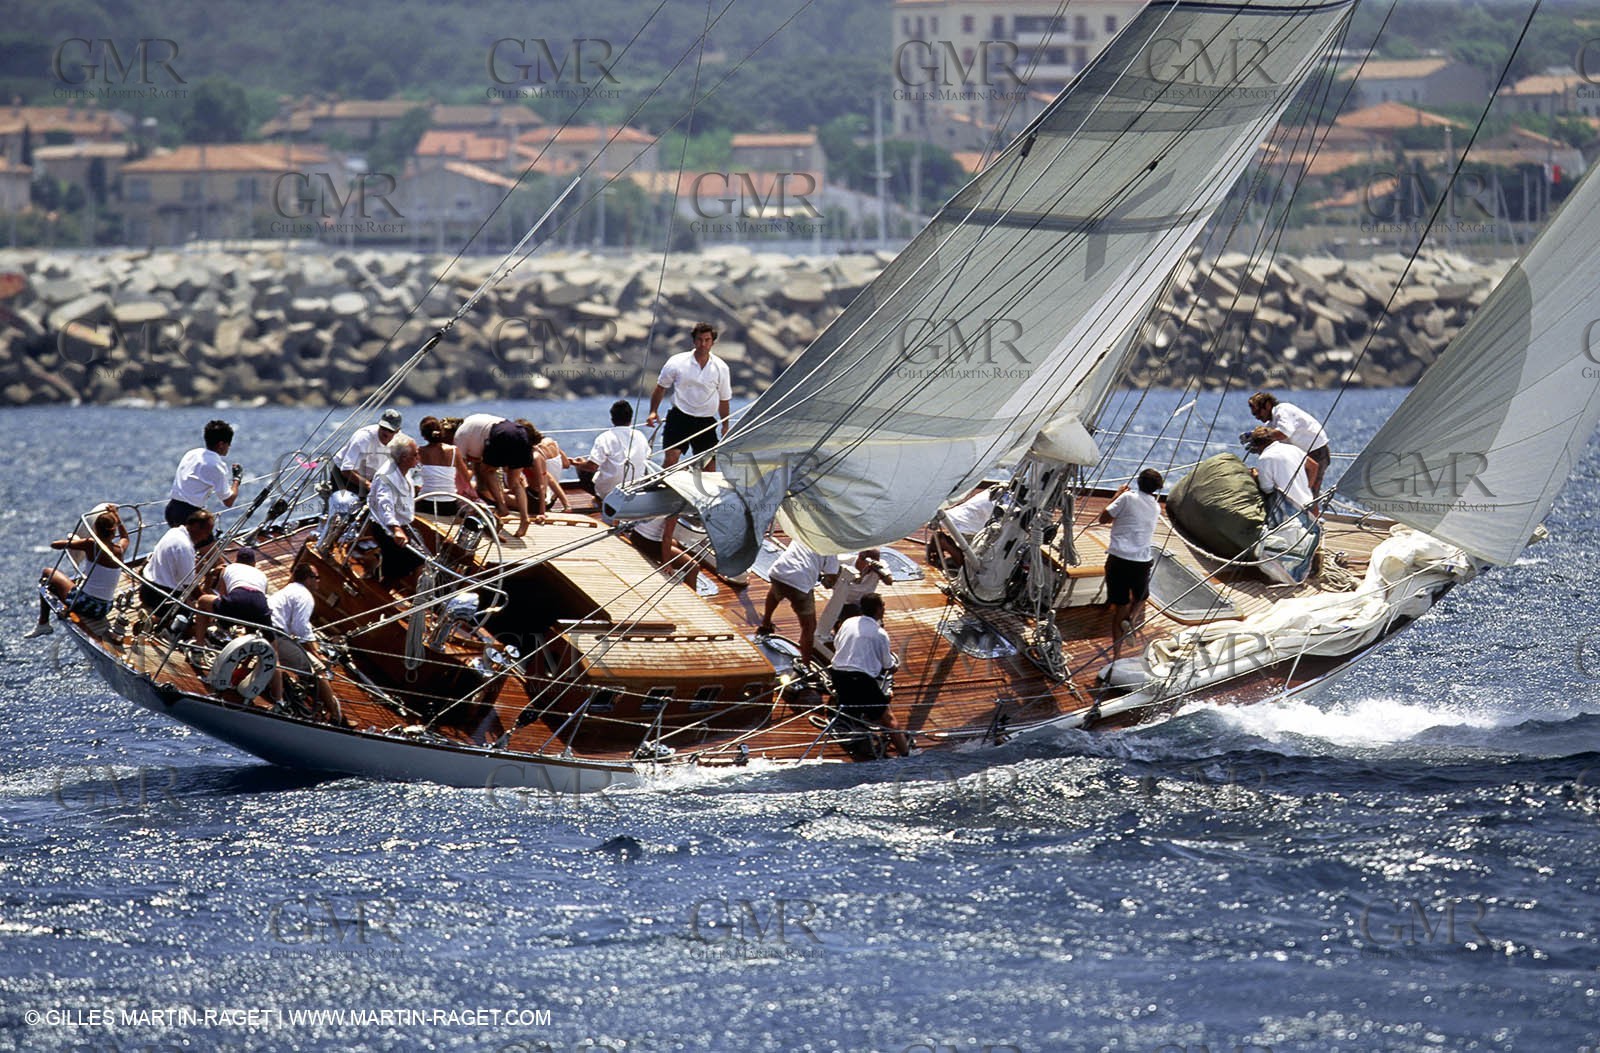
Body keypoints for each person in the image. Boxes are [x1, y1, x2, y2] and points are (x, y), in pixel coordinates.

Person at [26, 506, 130, 636]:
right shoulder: (120, 549)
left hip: (85, 605)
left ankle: (43, 623)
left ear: (95, 529)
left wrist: (77, 541)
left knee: (47, 573)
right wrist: (117, 518)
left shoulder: (91, 544)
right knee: (62, 583)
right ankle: (46, 620)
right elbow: (125, 537)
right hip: (104, 609)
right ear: (113, 532)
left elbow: (55, 545)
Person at [829, 594, 911, 757]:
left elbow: (837, 644)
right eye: (883, 606)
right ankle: (907, 755)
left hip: (837, 674)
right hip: (861, 680)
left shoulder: (848, 622)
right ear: (879, 609)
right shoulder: (880, 634)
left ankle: (857, 730)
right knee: (888, 718)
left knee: (853, 705)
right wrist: (894, 667)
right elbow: (888, 665)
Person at [1096, 468, 1163, 662]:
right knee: (1142, 597)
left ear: (1138, 482)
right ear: (1157, 488)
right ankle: (1131, 621)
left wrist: (1117, 495)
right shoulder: (1156, 507)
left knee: (1121, 606)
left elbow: (1103, 518)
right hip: (1141, 562)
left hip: (1118, 559)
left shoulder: (1126, 498)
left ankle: (1116, 655)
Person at [647, 322, 732, 469]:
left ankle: (695, 478)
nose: (703, 344)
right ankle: (663, 482)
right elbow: (661, 387)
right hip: (680, 417)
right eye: (699, 339)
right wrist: (653, 411)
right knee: (671, 459)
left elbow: (724, 399)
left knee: (709, 467)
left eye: (707, 340)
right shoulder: (677, 362)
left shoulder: (721, 367)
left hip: (705, 421)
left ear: (712, 342)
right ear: (694, 341)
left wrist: (725, 425)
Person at [267, 562, 340, 714]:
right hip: (274, 635)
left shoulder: (289, 589)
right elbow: (300, 628)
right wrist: (317, 653)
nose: (318, 581)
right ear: (308, 579)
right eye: (316, 578)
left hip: (265, 629)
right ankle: (335, 715)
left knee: (306, 662)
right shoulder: (304, 595)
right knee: (317, 669)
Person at [453, 413, 543, 537]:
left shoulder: (459, 437)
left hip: (500, 436)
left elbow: (461, 468)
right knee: (515, 482)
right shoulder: (473, 422)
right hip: (520, 433)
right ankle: (524, 518)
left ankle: (501, 506)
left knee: (487, 471)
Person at [756, 538, 840, 666]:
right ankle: (805, 664)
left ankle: (765, 624)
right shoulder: (831, 548)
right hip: (800, 584)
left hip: (779, 572)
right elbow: (830, 581)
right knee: (809, 626)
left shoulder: (805, 533)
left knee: (776, 591)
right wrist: (829, 578)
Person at [574, 400, 656, 507]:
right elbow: (647, 457)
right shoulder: (640, 436)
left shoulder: (604, 437)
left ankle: (599, 499)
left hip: (609, 493)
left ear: (612, 419)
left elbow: (592, 466)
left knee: (582, 468)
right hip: (635, 489)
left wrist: (574, 463)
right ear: (631, 419)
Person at [1248, 392, 1331, 495]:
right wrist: (1256, 443)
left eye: (1258, 412)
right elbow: (1271, 445)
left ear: (1268, 405)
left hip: (1316, 452)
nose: (1257, 417)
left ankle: (1310, 503)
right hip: (1301, 456)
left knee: (1310, 492)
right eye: (1254, 414)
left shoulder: (1283, 410)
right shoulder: (1270, 424)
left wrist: (1258, 435)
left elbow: (1283, 433)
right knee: (1297, 489)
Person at [367, 436, 425, 584]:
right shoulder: (386, 476)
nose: (418, 457)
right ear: (404, 458)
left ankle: (383, 579)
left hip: (404, 526)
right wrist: (396, 529)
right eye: (415, 454)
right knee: (419, 561)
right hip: (387, 529)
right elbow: (384, 503)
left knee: (420, 558)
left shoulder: (403, 470)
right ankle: (419, 597)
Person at [140, 509, 214, 625]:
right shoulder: (185, 548)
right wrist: (207, 601)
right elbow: (189, 586)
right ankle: (156, 620)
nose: (207, 537)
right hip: (162, 596)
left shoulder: (174, 532)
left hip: (146, 587)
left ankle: (152, 616)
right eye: (207, 531)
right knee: (191, 624)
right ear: (195, 526)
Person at [165, 419, 240, 527]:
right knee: (207, 538)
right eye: (229, 444)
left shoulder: (192, 453)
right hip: (189, 516)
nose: (229, 447)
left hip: (172, 509)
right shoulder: (216, 465)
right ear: (221, 444)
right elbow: (228, 501)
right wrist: (237, 479)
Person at [817, 549, 894, 651]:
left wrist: (879, 572)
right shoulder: (844, 561)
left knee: (877, 615)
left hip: (865, 602)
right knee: (852, 621)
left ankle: (872, 645)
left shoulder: (880, 566)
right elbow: (824, 566)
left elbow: (889, 581)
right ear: (860, 558)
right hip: (845, 601)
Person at [194, 546, 271, 643]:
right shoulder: (262, 575)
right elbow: (262, 598)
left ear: (236, 560)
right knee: (252, 625)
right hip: (259, 608)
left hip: (236, 600)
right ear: (254, 563)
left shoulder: (229, 568)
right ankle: (248, 651)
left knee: (202, 601)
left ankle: (199, 645)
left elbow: (223, 596)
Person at [1247, 426, 1315, 514]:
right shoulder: (1292, 448)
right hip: (1307, 503)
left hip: (1288, 509)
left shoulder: (1265, 458)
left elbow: (1266, 489)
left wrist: (1256, 477)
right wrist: (1307, 487)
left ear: (1257, 446)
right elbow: (1313, 466)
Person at [335, 407, 403, 496]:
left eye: (390, 430)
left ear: (397, 431)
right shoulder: (363, 438)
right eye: (383, 428)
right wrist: (369, 485)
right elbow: (346, 470)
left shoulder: (400, 440)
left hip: (371, 478)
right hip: (346, 476)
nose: (385, 433)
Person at [415, 416, 472, 517]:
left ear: (423, 436)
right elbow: (466, 478)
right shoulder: (454, 451)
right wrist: (474, 467)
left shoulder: (419, 451)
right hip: (449, 505)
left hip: (426, 504)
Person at [530, 433, 571, 513]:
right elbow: (566, 464)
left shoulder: (534, 455)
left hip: (539, 500)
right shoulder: (552, 442)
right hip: (552, 498)